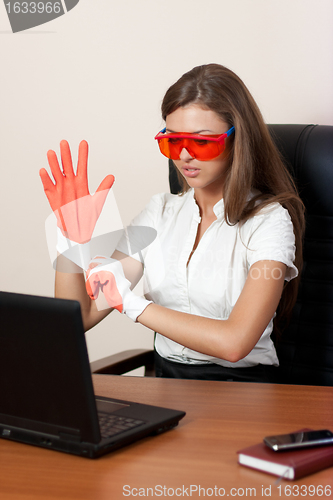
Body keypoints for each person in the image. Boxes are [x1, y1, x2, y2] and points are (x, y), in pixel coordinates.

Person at [40, 64, 305, 383]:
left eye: (202, 142)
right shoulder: (159, 213)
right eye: (172, 141)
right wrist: (71, 241)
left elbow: (235, 343)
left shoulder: (269, 220)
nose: (183, 156)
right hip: (168, 385)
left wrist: (132, 304)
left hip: (242, 391)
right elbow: (82, 314)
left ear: (238, 140)